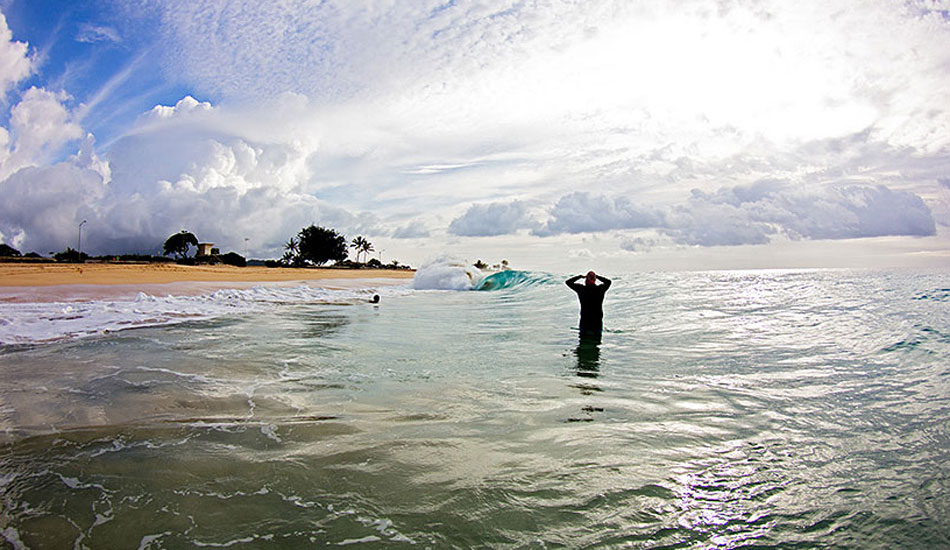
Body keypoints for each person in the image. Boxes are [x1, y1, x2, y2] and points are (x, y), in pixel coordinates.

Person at [566, 271, 612, 336]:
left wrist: (580, 277)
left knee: (583, 341)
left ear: (586, 280)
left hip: (585, 320)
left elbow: (568, 282)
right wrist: (597, 276)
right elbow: (608, 282)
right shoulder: (600, 289)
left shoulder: (581, 289)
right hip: (597, 319)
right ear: (595, 279)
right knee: (596, 341)